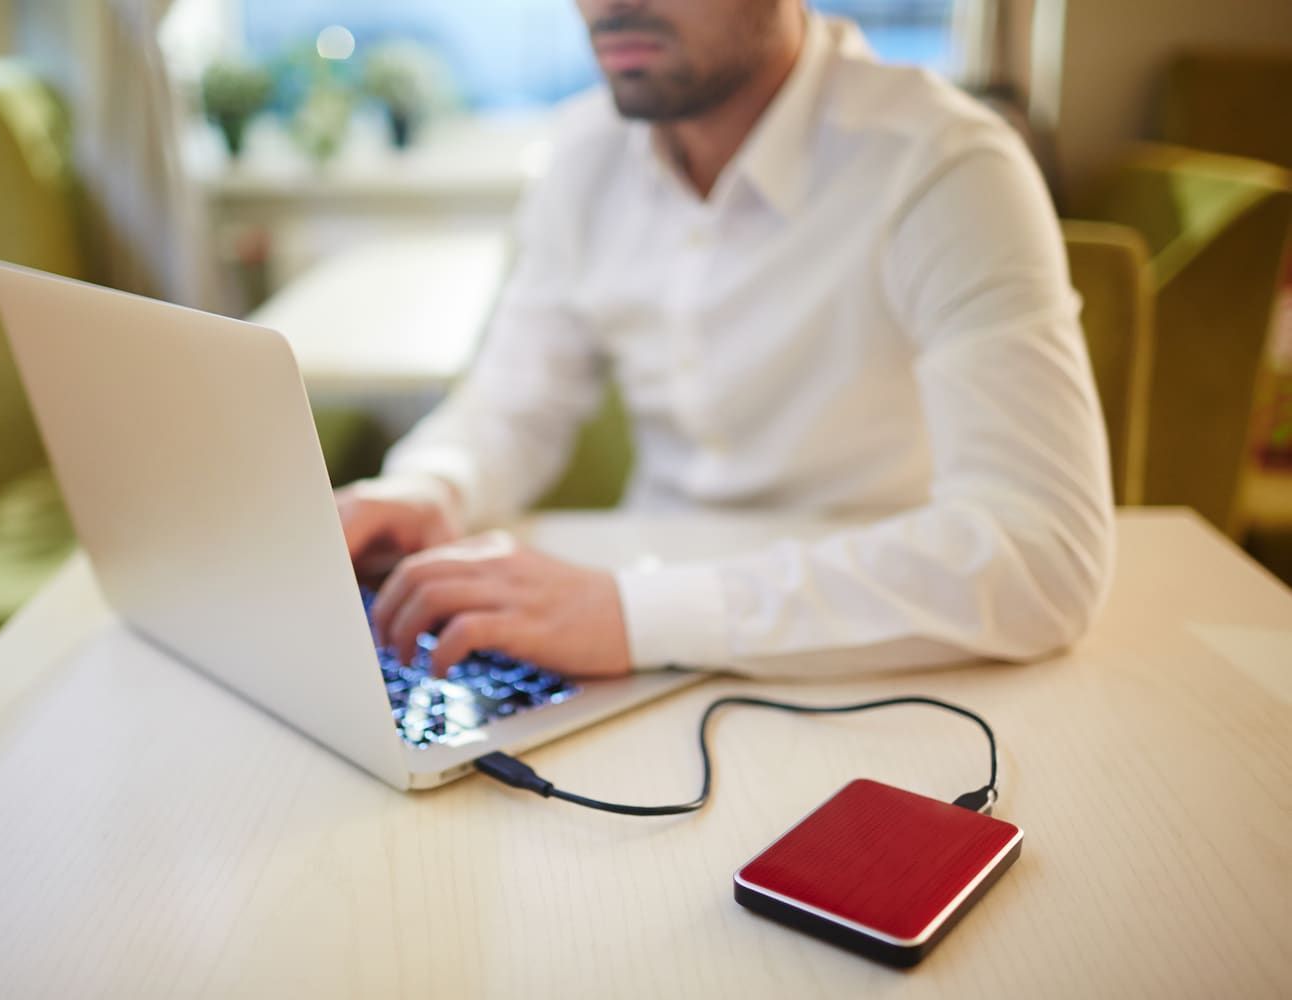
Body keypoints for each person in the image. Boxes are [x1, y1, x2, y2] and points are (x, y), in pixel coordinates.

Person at [338, 0, 1114, 681]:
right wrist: (434, 487)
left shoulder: (942, 164)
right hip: (624, 635)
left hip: (881, 651)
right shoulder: (582, 154)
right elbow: (515, 404)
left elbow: (1040, 552)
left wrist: (642, 616)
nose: (608, 2)